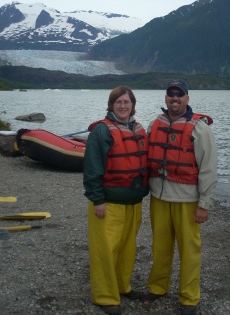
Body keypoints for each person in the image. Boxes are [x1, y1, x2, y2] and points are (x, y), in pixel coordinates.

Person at [143, 79, 217, 315]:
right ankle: (157, 287)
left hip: (188, 200)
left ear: (187, 98)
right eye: (170, 94)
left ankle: (189, 298)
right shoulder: (154, 124)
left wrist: (204, 204)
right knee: (160, 246)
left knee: (189, 250)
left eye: (179, 94)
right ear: (166, 97)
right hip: (159, 197)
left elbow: (208, 168)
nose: (174, 98)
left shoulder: (200, 129)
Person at [83, 86, 149, 315]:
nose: (123, 106)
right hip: (108, 204)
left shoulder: (138, 129)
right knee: (106, 250)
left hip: (133, 202)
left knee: (127, 248)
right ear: (111, 105)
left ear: (133, 105)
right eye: (118, 102)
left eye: (127, 102)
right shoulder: (101, 131)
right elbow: (92, 169)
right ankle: (104, 296)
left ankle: (122, 286)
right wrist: (97, 200)